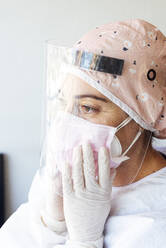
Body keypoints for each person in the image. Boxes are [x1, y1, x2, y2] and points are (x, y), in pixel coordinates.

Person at [0, 19, 166, 248]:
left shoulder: (157, 220)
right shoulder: (59, 177)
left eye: (87, 107)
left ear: (142, 116)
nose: (67, 122)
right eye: (62, 104)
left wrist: (84, 241)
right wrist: (53, 223)